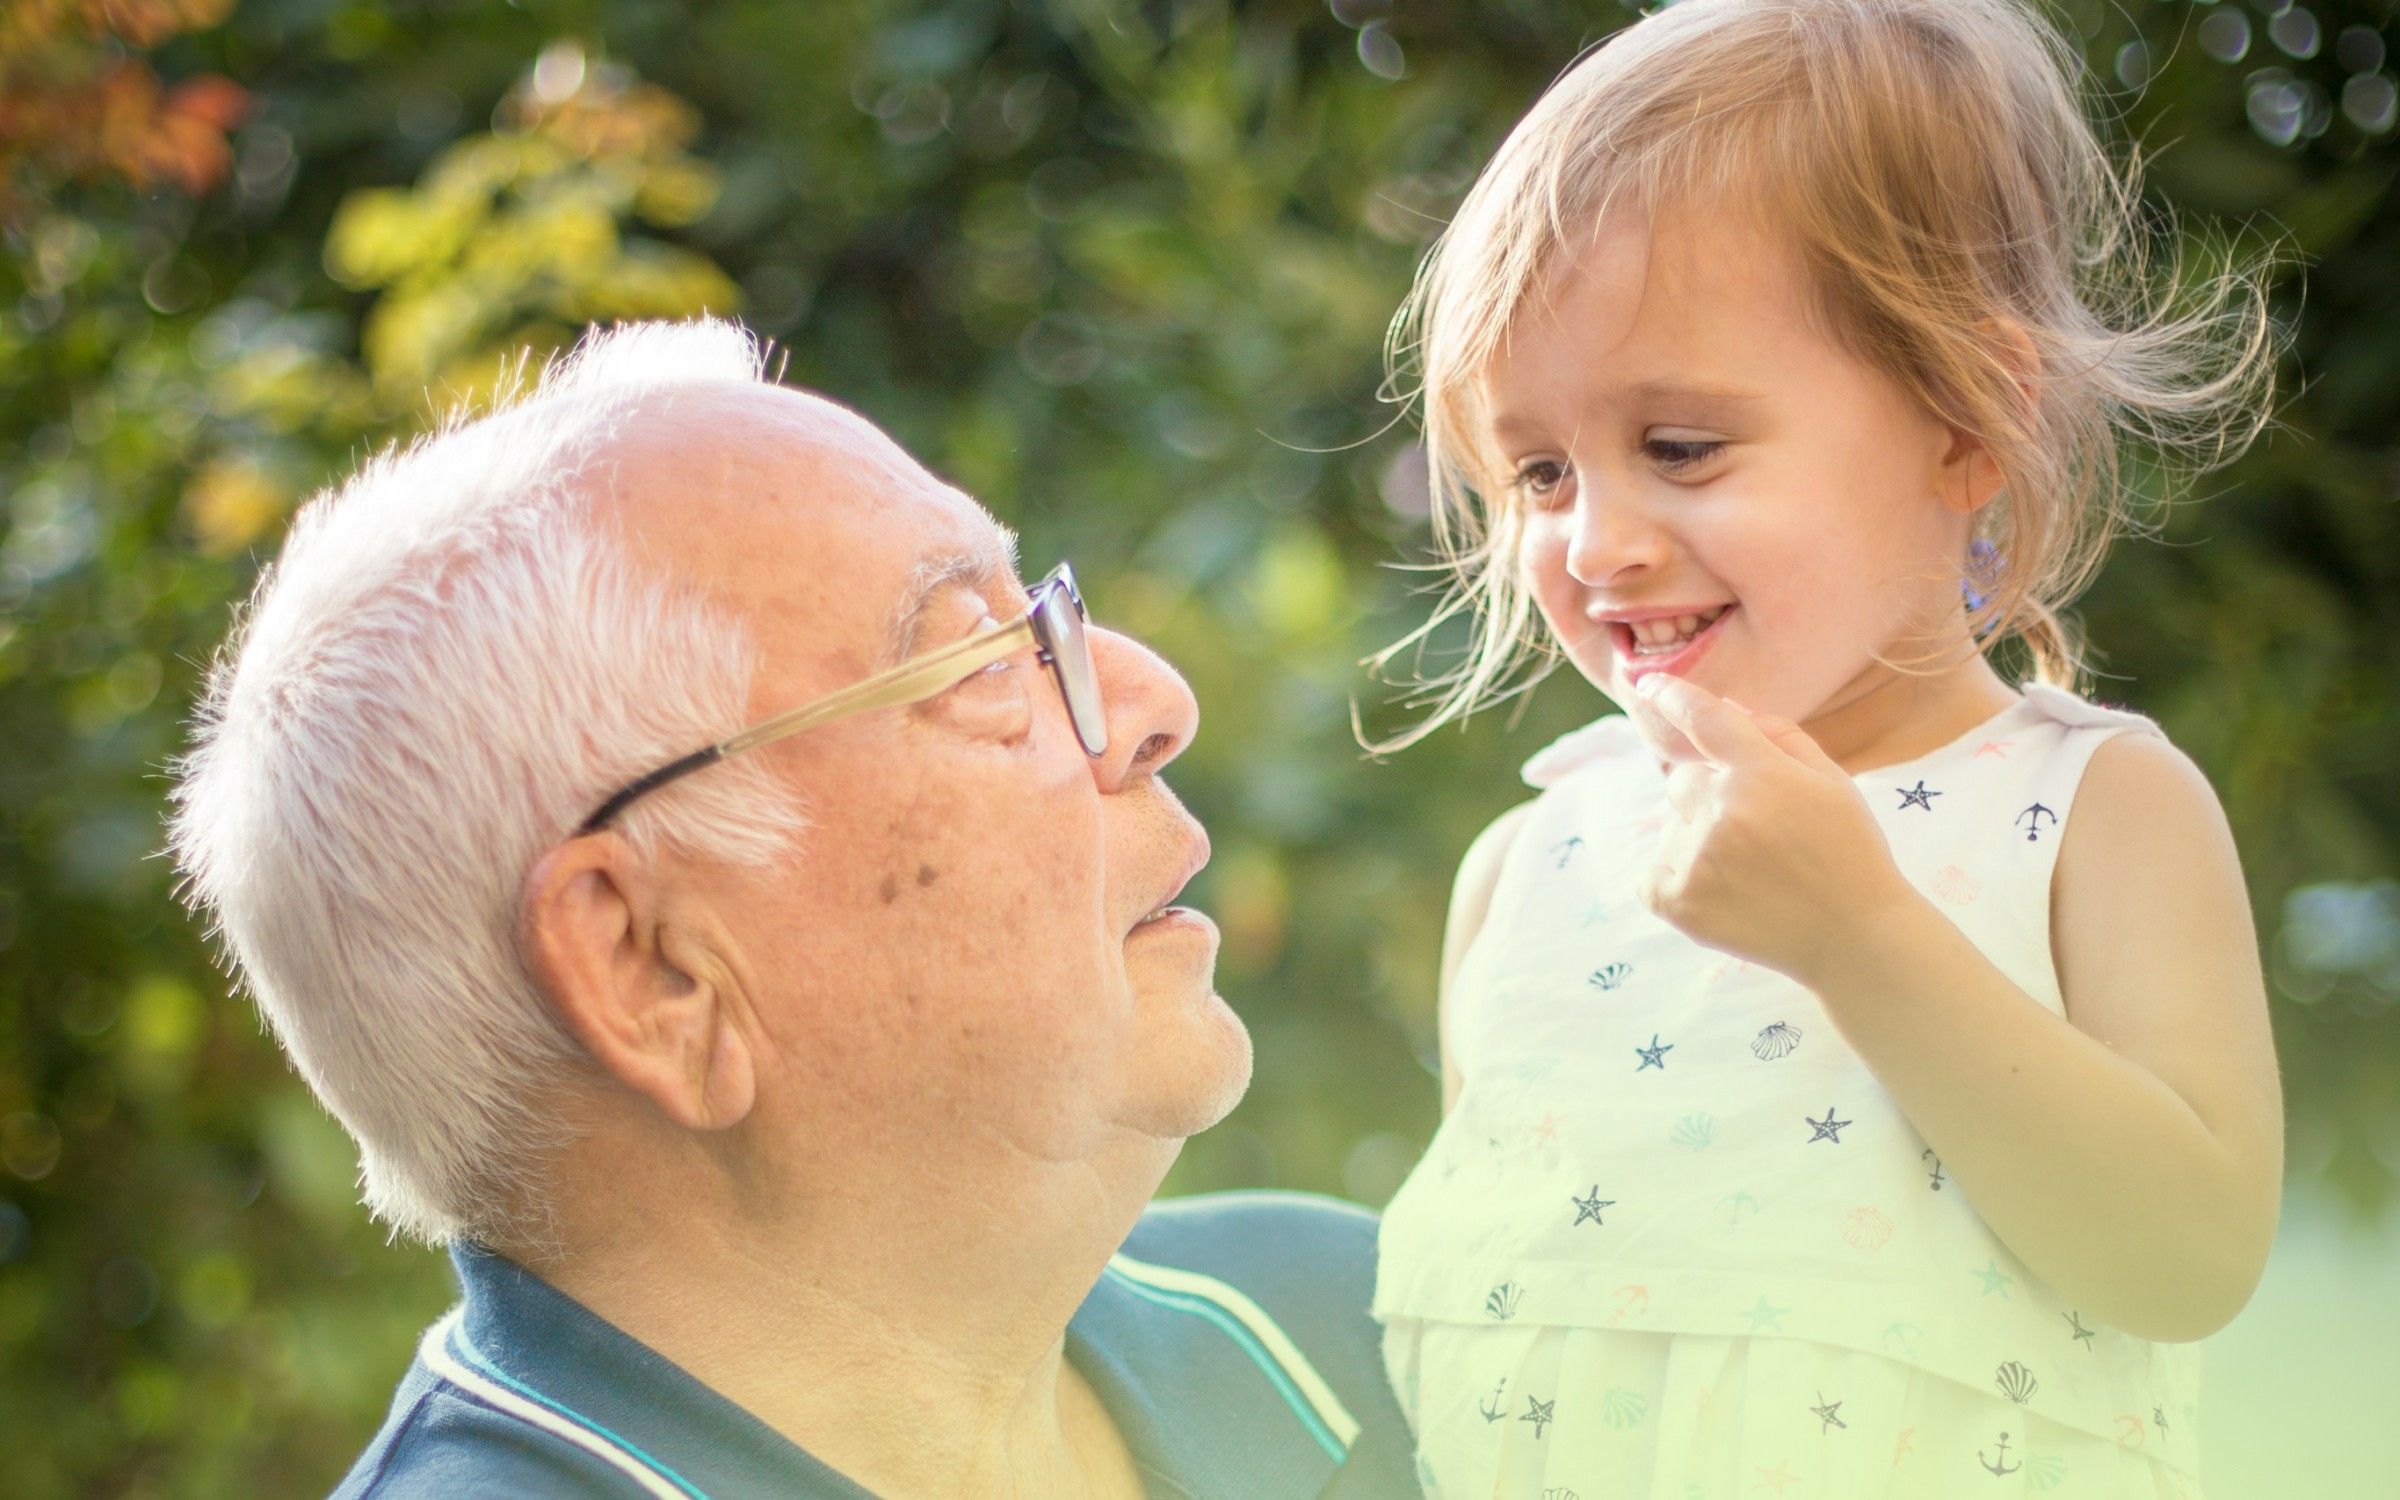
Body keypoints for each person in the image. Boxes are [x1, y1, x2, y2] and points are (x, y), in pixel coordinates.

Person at [168, 319, 1414, 1499]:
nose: (1153, 700)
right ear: (654, 970)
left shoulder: (1378, 1332)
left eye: (1043, 613)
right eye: (976, 658)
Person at [1363, 1, 2285, 1496]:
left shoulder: (2091, 809)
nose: (1596, 542)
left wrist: (1861, 935)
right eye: (1538, 469)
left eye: (1680, 447)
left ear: (1966, 420)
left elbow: (2184, 1263)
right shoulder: (1529, 868)